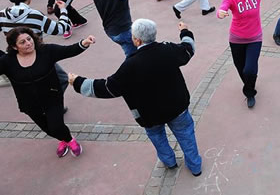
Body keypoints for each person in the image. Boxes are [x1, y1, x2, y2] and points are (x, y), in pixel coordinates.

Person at [68, 19, 203, 176]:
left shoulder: (130, 65)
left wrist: (77, 82)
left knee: (158, 138)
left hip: (149, 115)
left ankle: (169, 162)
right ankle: (195, 167)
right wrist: (184, 31)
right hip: (177, 107)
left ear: (137, 40)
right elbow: (188, 49)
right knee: (186, 136)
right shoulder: (168, 49)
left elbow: (107, 88)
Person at [0, 27, 95, 158]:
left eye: (29, 39)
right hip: (29, 104)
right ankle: (63, 139)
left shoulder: (46, 51)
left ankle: (70, 140)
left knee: (56, 126)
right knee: (47, 129)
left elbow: (69, 50)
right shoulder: (7, 61)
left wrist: (84, 43)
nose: (28, 43)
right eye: (22, 42)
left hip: (52, 97)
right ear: (14, 47)